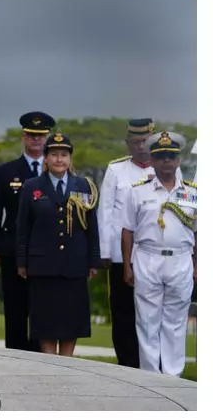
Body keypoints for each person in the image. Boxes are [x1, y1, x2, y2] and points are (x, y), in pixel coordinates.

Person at [15, 133, 100, 356]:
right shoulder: (32, 187)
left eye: (64, 155)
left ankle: (68, 363)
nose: (59, 160)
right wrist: (21, 261)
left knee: (72, 321)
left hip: (75, 265)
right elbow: (23, 228)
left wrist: (94, 260)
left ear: (70, 158)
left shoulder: (83, 187)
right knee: (46, 322)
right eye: (54, 155)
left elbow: (92, 228)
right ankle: (49, 364)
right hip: (43, 267)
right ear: (46, 158)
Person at [121, 130, 196, 377]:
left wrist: (199, 265)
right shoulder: (137, 191)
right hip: (147, 257)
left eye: (171, 156)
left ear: (178, 161)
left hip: (181, 259)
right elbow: (127, 230)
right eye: (161, 156)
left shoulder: (194, 194)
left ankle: (173, 375)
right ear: (152, 160)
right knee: (147, 320)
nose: (166, 161)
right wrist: (127, 266)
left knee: (175, 321)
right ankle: (151, 375)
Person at [0, 111, 55, 353]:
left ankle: (38, 355)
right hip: (13, 248)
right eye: (32, 136)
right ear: (24, 138)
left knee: (41, 306)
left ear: (48, 138)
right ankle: (14, 354)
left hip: (45, 251)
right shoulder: (6, 171)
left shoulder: (56, 172)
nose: (36, 140)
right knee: (15, 306)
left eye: (41, 136)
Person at [98, 118, 161, 368]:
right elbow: (105, 212)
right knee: (123, 311)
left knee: (152, 311)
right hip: (120, 255)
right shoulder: (116, 170)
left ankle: (154, 362)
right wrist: (104, 251)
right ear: (127, 144)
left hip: (155, 253)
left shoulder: (167, 169)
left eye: (145, 141)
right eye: (135, 142)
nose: (141, 146)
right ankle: (127, 362)